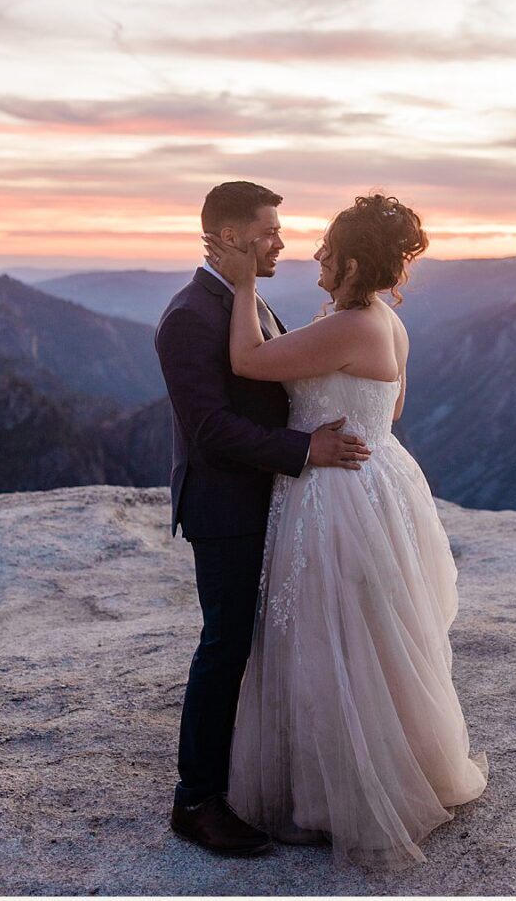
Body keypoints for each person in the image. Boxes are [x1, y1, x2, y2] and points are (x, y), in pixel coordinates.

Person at [203, 192, 488, 869]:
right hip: (380, 479)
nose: (314, 255)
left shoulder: (348, 324)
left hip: (335, 492)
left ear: (353, 262)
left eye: (327, 250)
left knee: (329, 636)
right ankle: (399, 764)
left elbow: (247, 360)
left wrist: (242, 286)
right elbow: (391, 405)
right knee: (374, 637)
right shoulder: (384, 321)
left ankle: (337, 794)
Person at [155, 181, 373, 857]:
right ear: (226, 237)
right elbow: (212, 429)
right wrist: (307, 449)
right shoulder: (190, 315)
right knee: (224, 647)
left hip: (271, 500)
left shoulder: (246, 300)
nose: (281, 242)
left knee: (259, 645)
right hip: (225, 507)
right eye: (268, 232)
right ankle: (195, 800)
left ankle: (256, 780)